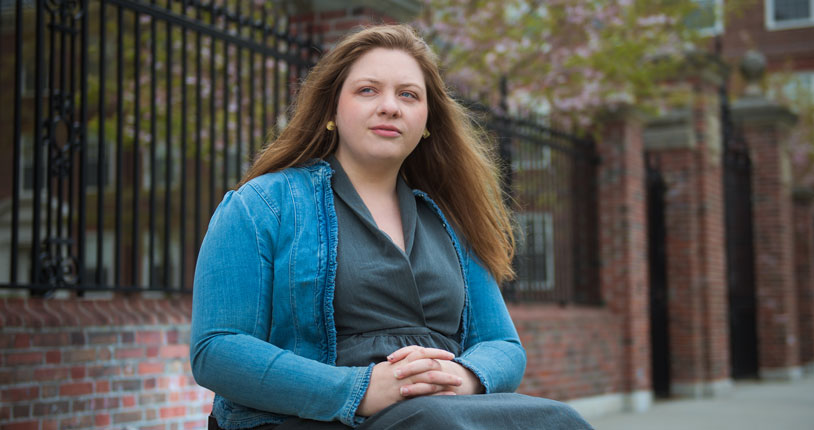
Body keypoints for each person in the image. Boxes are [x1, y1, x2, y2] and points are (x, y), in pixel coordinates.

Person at [190, 24, 593, 430]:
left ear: (428, 120)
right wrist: (359, 389)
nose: (390, 107)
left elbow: (503, 346)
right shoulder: (262, 205)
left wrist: (460, 378)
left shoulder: (450, 221)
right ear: (332, 110)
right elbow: (217, 349)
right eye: (367, 90)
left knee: (561, 420)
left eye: (408, 95)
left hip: (440, 412)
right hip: (307, 420)